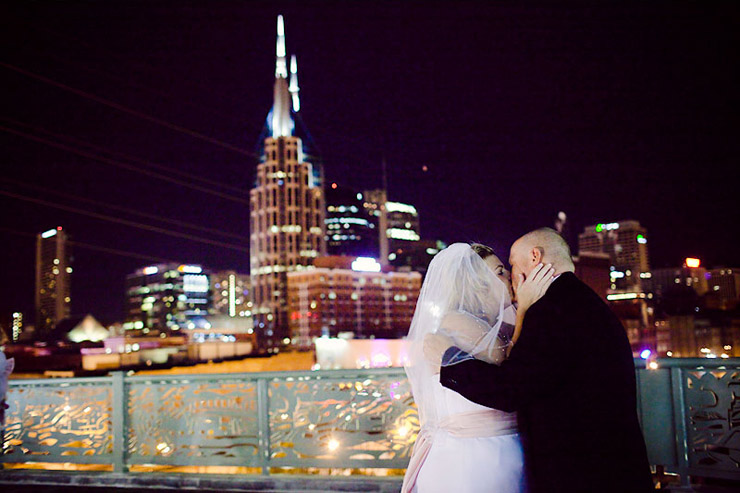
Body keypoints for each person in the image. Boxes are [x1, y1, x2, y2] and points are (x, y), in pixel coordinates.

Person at [434, 228, 654, 493]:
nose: (511, 277)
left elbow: (511, 389)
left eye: (511, 265)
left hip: (580, 470)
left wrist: (448, 361)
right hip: (610, 461)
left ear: (535, 257)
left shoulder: (549, 310)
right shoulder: (584, 300)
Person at [402, 242, 554, 493]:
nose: (509, 276)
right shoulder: (458, 320)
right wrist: (525, 307)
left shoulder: (494, 324)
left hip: (501, 450)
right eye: (499, 272)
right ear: (476, 284)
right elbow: (505, 361)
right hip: (474, 458)